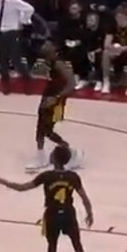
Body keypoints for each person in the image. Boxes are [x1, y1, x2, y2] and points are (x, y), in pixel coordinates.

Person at [0, 145, 97, 252]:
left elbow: (22, 187)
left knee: (52, 249)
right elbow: (84, 197)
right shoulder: (73, 177)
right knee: (78, 247)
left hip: (52, 214)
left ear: (54, 158)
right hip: (68, 213)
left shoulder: (47, 176)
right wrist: (89, 213)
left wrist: (2, 181)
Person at [27, 42, 80, 171]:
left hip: (56, 100)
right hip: (48, 95)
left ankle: (70, 151)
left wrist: (56, 99)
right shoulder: (49, 63)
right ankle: (41, 156)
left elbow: (72, 85)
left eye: (48, 46)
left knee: (47, 130)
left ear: (53, 51)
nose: (44, 47)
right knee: (40, 127)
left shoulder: (60, 64)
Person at [0, 0, 36, 94]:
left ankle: (28, 80)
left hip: (13, 32)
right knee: (3, 60)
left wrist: (24, 20)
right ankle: (5, 84)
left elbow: (29, 9)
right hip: (2, 32)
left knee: (15, 60)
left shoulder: (14, 1)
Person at [100, 8, 127, 96]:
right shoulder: (112, 27)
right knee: (105, 53)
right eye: (117, 18)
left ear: (126, 17)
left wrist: (124, 48)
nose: (119, 20)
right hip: (116, 51)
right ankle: (106, 81)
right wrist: (113, 48)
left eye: (121, 17)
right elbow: (106, 44)